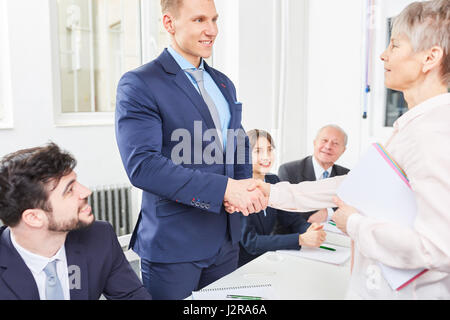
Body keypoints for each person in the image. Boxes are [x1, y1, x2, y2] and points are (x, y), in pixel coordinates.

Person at [252, 0, 450, 299]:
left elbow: (437, 248)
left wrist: (353, 224)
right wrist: (272, 193)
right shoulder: (413, 127)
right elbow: (355, 186)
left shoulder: (434, 133)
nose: (383, 54)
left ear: (430, 57)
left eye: (395, 45)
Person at [115, 0, 265, 300]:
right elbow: (143, 166)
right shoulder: (140, 83)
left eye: (214, 19)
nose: (211, 30)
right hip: (174, 243)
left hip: (226, 237)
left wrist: (244, 188)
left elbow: (235, 142)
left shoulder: (223, 83)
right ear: (169, 23)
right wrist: (225, 189)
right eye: (199, 20)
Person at [0, 143, 151, 300]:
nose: (86, 192)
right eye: (69, 190)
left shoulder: (99, 236)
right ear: (34, 218)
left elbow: (132, 296)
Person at [237, 130, 326, 267]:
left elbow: (291, 219)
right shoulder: (238, 187)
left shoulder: (273, 180)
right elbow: (251, 242)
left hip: (269, 259)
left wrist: (309, 229)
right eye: (258, 151)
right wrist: (300, 239)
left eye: (269, 150)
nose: (266, 157)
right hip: (243, 265)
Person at [278, 124, 349, 223]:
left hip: (336, 236)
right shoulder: (289, 170)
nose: (328, 146)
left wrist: (329, 213)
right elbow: (287, 213)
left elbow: (352, 208)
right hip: (300, 235)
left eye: (335, 143)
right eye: (324, 140)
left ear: (343, 150)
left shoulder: (347, 175)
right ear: (315, 143)